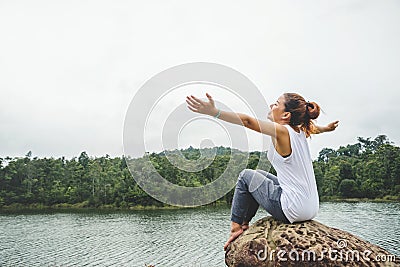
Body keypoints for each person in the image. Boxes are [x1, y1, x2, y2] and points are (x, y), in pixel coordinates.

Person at [186, 92, 339, 251]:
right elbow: (314, 129)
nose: (272, 106)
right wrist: (326, 129)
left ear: (286, 115)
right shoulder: (299, 131)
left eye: (276, 104)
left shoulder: (282, 131)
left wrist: (214, 112)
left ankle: (236, 227)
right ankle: (245, 222)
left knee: (246, 176)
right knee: (259, 173)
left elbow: (247, 121)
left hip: (293, 210)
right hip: (310, 208)